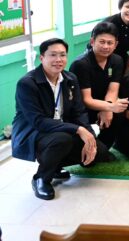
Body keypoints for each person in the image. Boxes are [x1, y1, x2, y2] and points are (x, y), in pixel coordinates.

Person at [12, 38, 112, 200]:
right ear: (42, 58)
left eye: (62, 55)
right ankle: (41, 178)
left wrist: (90, 137)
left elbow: (79, 112)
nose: (58, 59)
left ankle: (55, 165)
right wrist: (78, 130)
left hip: (62, 128)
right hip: (34, 132)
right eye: (53, 55)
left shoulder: (70, 78)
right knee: (62, 140)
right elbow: (38, 121)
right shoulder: (27, 84)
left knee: (100, 153)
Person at [69, 22, 128, 149]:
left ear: (116, 44)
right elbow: (86, 100)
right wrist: (110, 107)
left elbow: (113, 90)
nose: (106, 46)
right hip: (83, 111)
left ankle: (106, 147)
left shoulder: (117, 60)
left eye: (110, 43)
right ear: (92, 41)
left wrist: (107, 108)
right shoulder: (81, 64)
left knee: (119, 113)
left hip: (103, 104)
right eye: (102, 42)